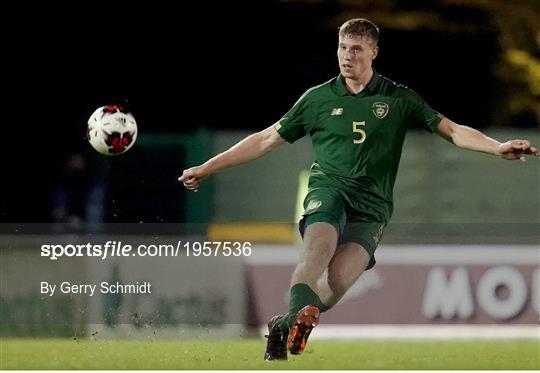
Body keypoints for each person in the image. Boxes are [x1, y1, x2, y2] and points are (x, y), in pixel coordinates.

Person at [178, 18, 538, 361]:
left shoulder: (399, 99)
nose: (347, 56)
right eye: (342, 47)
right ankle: (293, 318)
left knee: (337, 282)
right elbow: (264, 140)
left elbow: (454, 130)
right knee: (314, 256)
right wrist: (208, 167)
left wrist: (496, 147)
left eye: (356, 49)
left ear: (373, 53)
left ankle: (282, 324)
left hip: (373, 206)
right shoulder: (317, 99)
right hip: (329, 191)